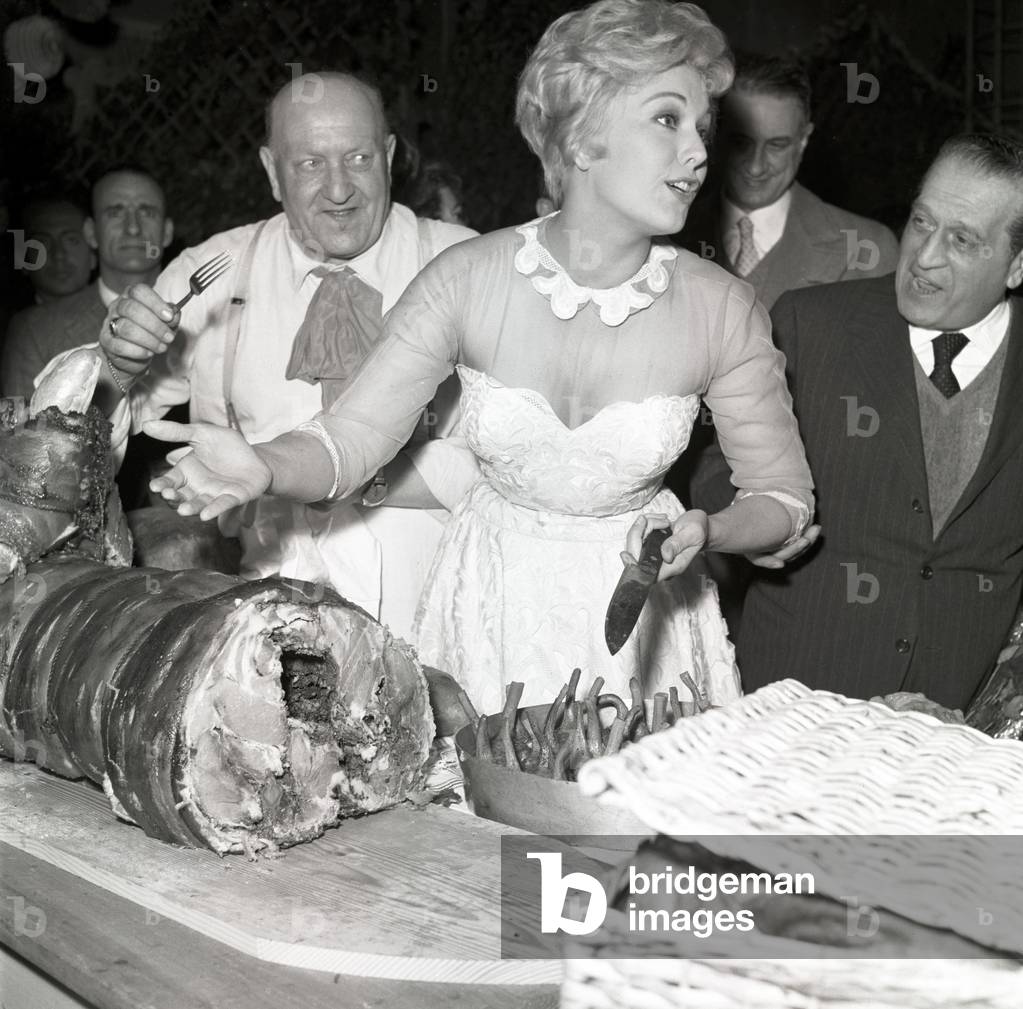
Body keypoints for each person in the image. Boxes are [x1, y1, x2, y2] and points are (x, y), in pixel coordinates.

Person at [135, 0, 815, 714]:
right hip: (488, 621)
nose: (699, 152)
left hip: (647, 629)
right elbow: (352, 437)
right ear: (583, 140)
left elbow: (783, 499)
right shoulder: (466, 278)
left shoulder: (722, 307)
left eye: (701, 126)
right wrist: (265, 464)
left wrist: (711, 529)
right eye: (667, 119)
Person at [52, 72, 476, 640]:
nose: (339, 190)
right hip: (265, 623)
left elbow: (519, 463)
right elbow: (63, 435)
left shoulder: (466, 266)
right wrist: (117, 367)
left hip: (442, 610)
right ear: (272, 171)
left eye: (358, 158)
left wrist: (354, 477)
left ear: (391, 155)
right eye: (310, 164)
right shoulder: (215, 274)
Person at [737, 133, 1023, 712]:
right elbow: (720, 467)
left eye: (962, 240)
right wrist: (752, 527)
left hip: (961, 722)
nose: (925, 256)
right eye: (921, 222)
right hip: (794, 703)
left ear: (1016, 265)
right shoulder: (809, 324)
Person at [678, 54, 898, 310]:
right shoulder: (668, 233)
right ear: (714, 135)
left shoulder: (868, 248)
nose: (756, 166)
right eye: (740, 143)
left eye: (776, 145)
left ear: (803, 141)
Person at [3, 170, 171, 400]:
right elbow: (22, 421)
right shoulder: (36, 330)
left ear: (167, 232)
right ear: (91, 233)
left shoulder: (204, 311)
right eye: (115, 213)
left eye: (147, 212)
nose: (133, 229)